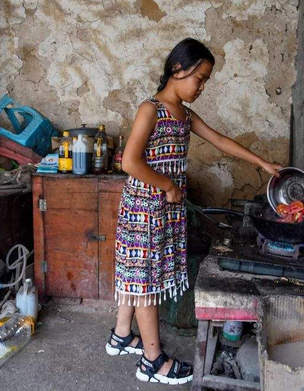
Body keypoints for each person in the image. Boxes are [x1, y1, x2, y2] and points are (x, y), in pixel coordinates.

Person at [105, 38, 282, 385]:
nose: (201, 86)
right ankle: (152, 362)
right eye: (199, 78)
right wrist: (169, 185)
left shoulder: (184, 114)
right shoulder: (150, 109)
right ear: (177, 70)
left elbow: (220, 141)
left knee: (138, 274)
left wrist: (262, 163)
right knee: (146, 282)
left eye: (205, 80)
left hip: (164, 210)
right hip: (145, 209)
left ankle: (122, 334)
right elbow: (129, 162)